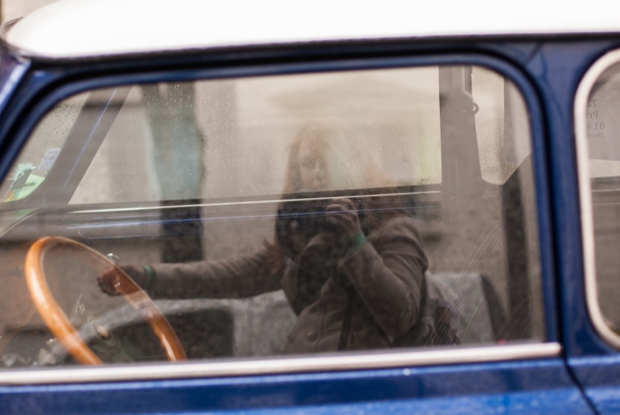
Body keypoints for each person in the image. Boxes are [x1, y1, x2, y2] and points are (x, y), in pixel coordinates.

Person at [98, 121, 430, 354]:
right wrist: (147, 277)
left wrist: (355, 242)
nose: (315, 173)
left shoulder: (393, 232)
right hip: (311, 385)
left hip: (367, 391)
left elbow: (401, 314)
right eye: (307, 164)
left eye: (325, 162)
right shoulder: (300, 240)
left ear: (349, 164)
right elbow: (227, 276)